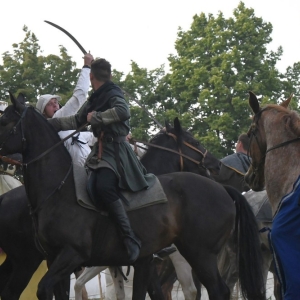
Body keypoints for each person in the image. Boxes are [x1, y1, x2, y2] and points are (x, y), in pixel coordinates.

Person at [48, 58, 156, 263]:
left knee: (104, 187)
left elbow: (124, 111)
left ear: (91, 76)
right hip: (101, 152)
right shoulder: (95, 98)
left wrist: (97, 117)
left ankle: (130, 237)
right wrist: (48, 124)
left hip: (117, 152)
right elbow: (76, 120)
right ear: (110, 74)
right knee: (91, 185)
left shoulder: (113, 92)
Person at [36, 53, 96, 167]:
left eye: (56, 102)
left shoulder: (61, 130)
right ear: (43, 112)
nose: (55, 105)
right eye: (50, 104)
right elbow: (80, 95)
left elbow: (91, 137)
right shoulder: (56, 119)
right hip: (83, 168)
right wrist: (87, 67)